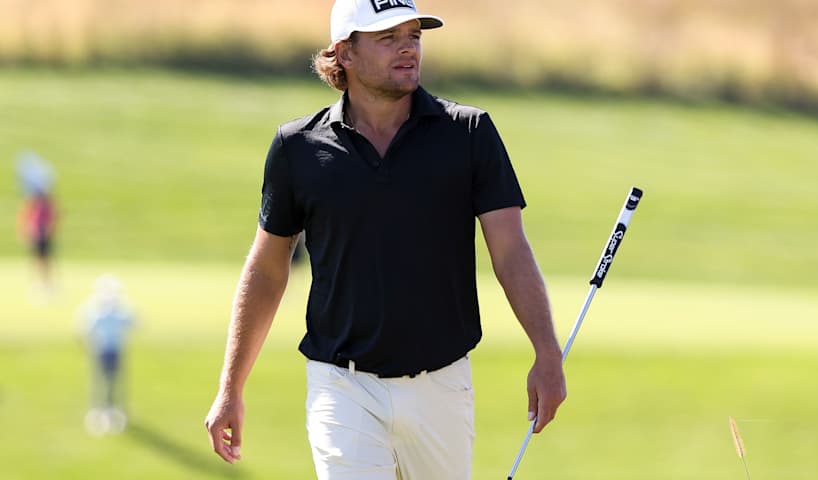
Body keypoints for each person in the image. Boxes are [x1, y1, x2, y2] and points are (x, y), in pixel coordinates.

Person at [205, 1, 566, 478]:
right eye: (387, 38)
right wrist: (231, 386)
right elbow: (267, 270)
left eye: (414, 35)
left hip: (442, 384)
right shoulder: (298, 148)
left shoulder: (468, 133)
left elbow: (511, 250)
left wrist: (547, 352)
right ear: (344, 54)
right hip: (343, 386)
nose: (408, 49)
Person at [78, 274, 136, 436]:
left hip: (115, 352)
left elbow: (135, 322)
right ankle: (99, 411)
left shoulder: (118, 310)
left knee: (114, 383)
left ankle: (112, 411)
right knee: (100, 383)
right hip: (101, 352)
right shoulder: (98, 311)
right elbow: (85, 329)